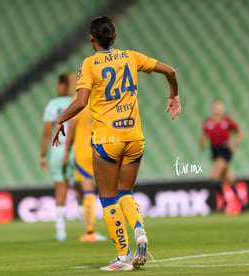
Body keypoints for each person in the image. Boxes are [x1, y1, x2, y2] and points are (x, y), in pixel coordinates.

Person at [52, 16, 181, 271]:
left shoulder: (89, 64)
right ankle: (138, 229)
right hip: (134, 137)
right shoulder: (131, 57)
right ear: (115, 36)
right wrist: (174, 95)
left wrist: (60, 120)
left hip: (107, 139)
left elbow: (80, 102)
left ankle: (123, 257)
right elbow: (171, 71)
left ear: (92, 39)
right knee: (126, 192)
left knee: (109, 197)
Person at [63, 80, 107, 242]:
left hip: (82, 151)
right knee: (105, 189)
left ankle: (90, 231)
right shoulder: (101, 100)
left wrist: (66, 150)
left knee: (87, 189)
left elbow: (72, 127)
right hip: (100, 148)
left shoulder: (78, 101)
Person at [40, 72, 74, 241]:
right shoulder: (77, 101)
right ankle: (89, 230)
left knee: (61, 191)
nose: (56, 87)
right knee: (84, 186)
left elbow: (47, 132)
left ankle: (61, 231)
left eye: (58, 84)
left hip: (57, 148)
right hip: (77, 148)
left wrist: (42, 155)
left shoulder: (53, 105)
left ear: (63, 86)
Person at [199, 100, 246, 212]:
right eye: (216, 107)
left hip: (224, 151)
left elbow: (239, 133)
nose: (217, 109)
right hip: (215, 151)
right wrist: (202, 143)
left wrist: (235, 143)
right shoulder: (208, 123)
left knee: (214, 177)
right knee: (228, 178)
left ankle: (224, 202)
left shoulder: (227, 121)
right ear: (212, 109)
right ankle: (242, 201)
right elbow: (204, 136)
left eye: (219, 107)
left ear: (222, 109)